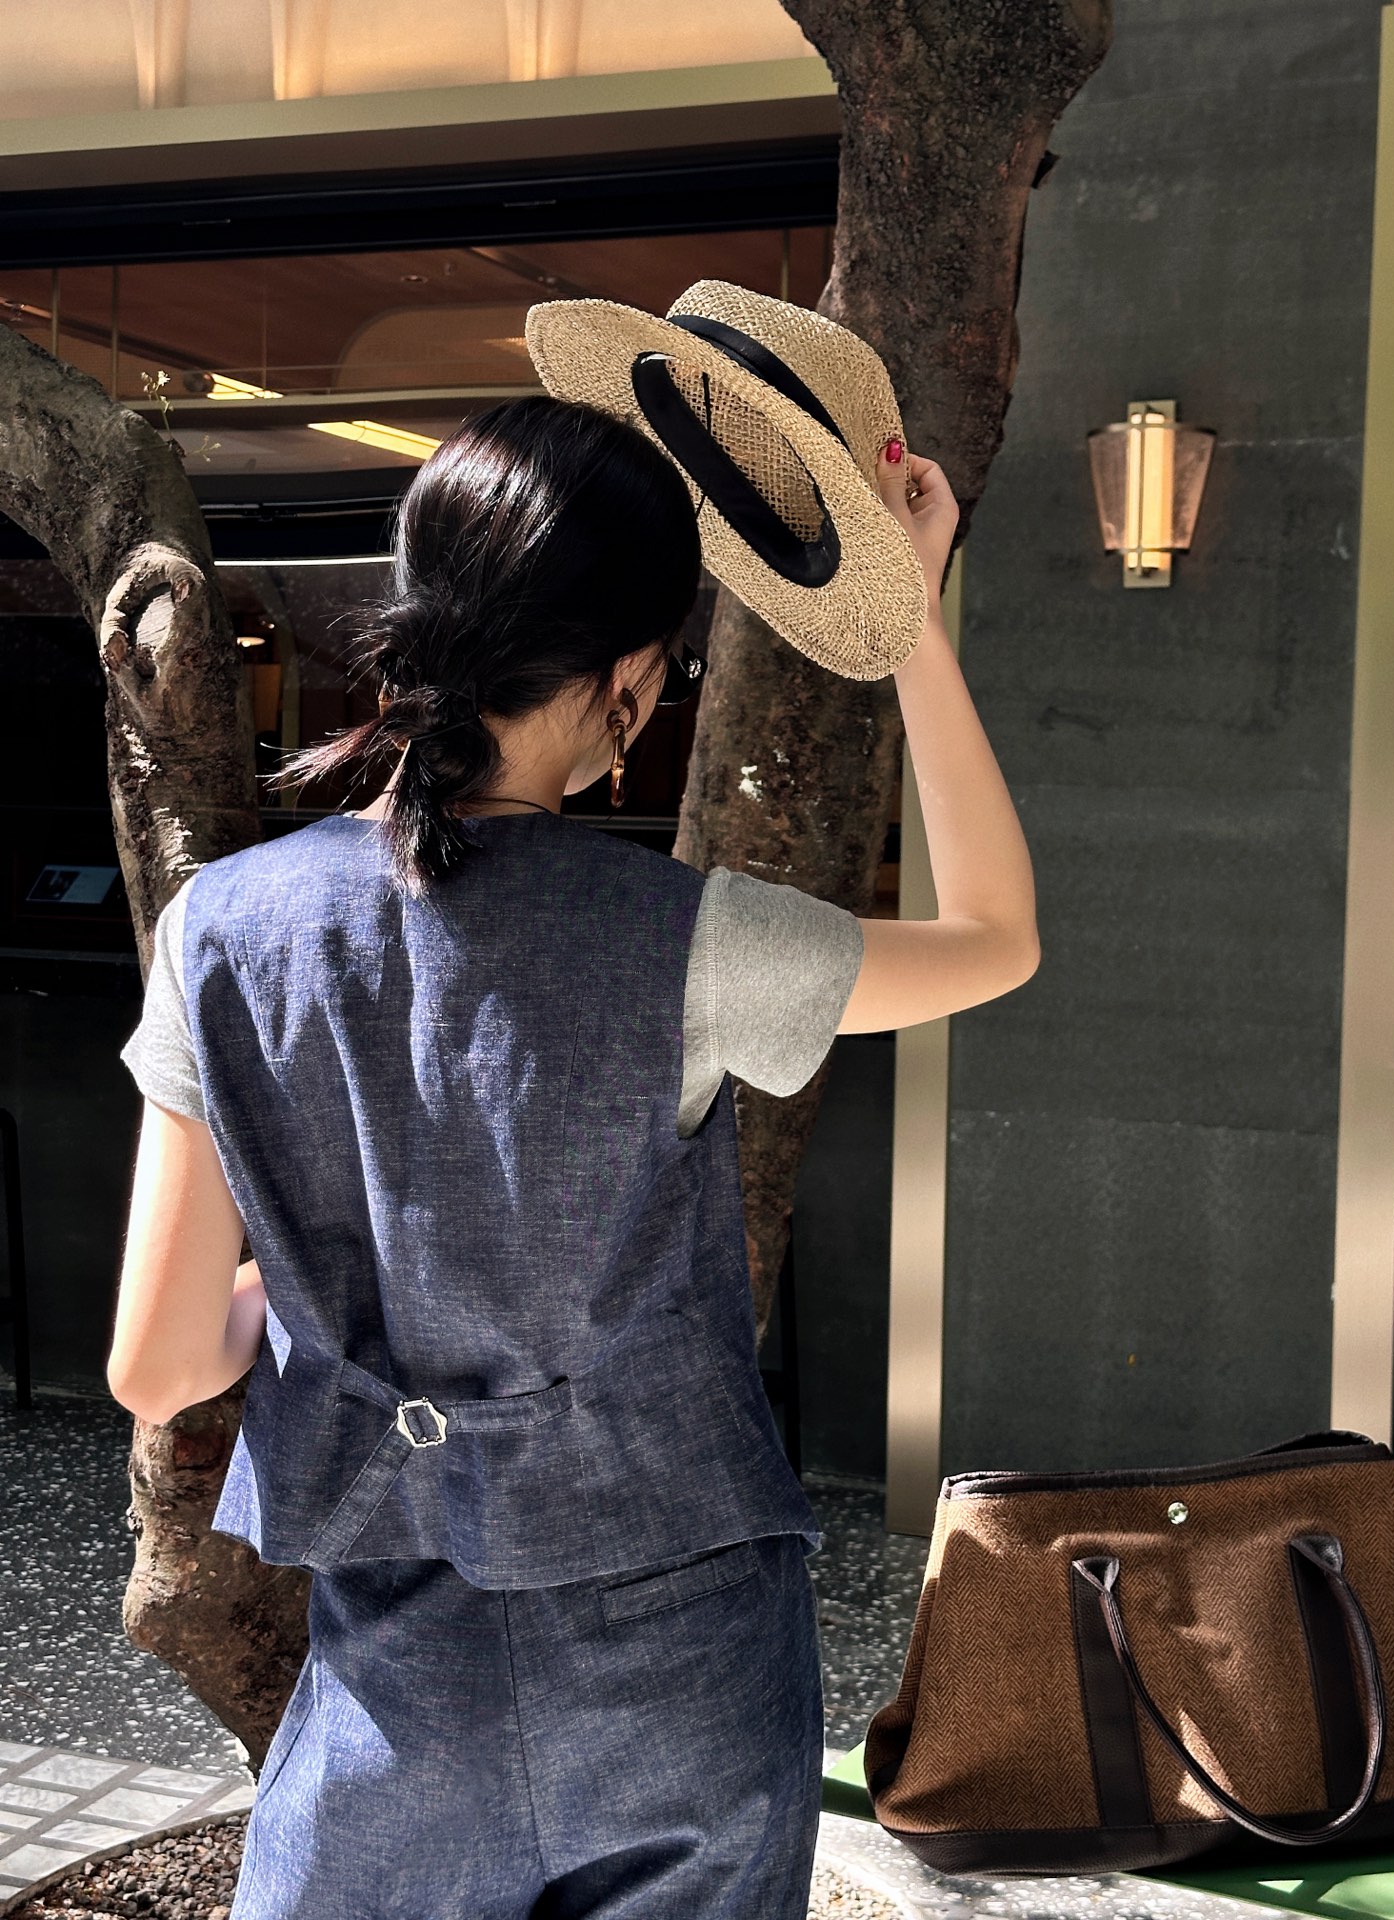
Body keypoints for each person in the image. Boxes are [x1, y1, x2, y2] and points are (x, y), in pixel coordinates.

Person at [108, 392, 1038, 1919]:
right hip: (693, 1673)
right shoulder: (687, 939)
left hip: (401, 1690)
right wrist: (909, 624)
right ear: (625, 687)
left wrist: (303, 1293)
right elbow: (997, 938)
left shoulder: (225, 929)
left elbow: (154, 1365)